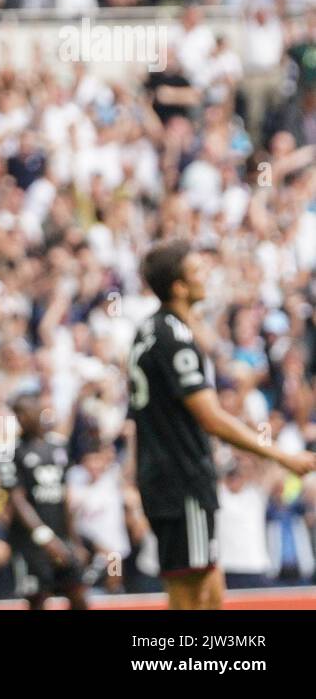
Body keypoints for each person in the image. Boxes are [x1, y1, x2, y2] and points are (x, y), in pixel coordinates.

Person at [127, 240, 316, 609]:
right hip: (181, 480)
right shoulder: (175, 339)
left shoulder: (151, 330)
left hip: (170, 475)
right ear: (178, 287)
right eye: (197, 272)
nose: (206, 278)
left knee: (211, 582)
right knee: (188, 591)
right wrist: (281, 456)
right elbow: (210, 418)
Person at [0, 381, 88, 610]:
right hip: (30, 543)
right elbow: (17, 500)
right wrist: (44, 537)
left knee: (78, 594)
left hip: (61, 536)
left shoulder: (58, 447)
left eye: (25, 412)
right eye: (17, 414)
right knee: (38, 600)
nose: (21, 418)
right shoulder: (12, 452)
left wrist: (73, 540)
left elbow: (66, 497)